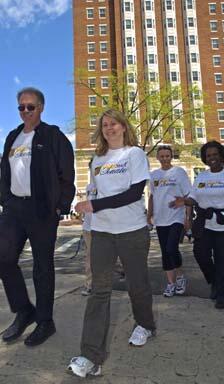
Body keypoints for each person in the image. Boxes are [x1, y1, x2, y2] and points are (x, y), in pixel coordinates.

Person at [67, 109, 155, 378]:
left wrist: (95, 204)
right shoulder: (97, 159)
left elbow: (133, 194)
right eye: (104, 125)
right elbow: (94, 192)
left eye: (113, 123)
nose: (109, 128)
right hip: (103, 232)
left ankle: (145, 324)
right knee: (99, 291)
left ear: (124, 126)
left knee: (137, 285)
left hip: (132, 230)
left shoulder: (134, 154)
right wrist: (87, 218)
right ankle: (90, 356)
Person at [0, 87, 75, 346]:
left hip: (42, 209)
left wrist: (60, 206)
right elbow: (5, 173)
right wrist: (5, 200)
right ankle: (24, 310)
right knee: (3, 257)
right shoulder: (12, 137)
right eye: (21, 107)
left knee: (42, 267)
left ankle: (45, 321)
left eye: (30, 107)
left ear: (40, 108)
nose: (25, 112)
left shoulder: (52, 135)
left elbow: (67, 172)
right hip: (14, 209)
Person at [170, 141, 224, 309]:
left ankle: (222, 295)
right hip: (205, 223)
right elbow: (193, 198)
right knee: (200, 254)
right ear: (205, 159)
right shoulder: (202, 176)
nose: (212, 158)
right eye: (208, 155)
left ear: (221, 155)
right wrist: (183, 201)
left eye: (215, 154)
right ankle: (214, 281)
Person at [147, 145, 192, 297]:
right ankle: (171, 283)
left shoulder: (179, 173)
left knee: (171, 248)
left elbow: (189, 196)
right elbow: (152, 197)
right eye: (162, 156)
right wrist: (149, 217)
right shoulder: (154, 175)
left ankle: (180, 277)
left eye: (167, 156)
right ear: (158, 157)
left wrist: (187, 217)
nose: (165, 158)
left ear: (171, 157)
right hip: (160, 219)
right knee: (165, 253)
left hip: (176, 217)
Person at [81, 165, 96, 296]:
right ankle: (89, 284)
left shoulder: (106, 185)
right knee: (90, 256)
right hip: (88, 227)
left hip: (103, 227)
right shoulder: (88, 187)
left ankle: (120, 270)